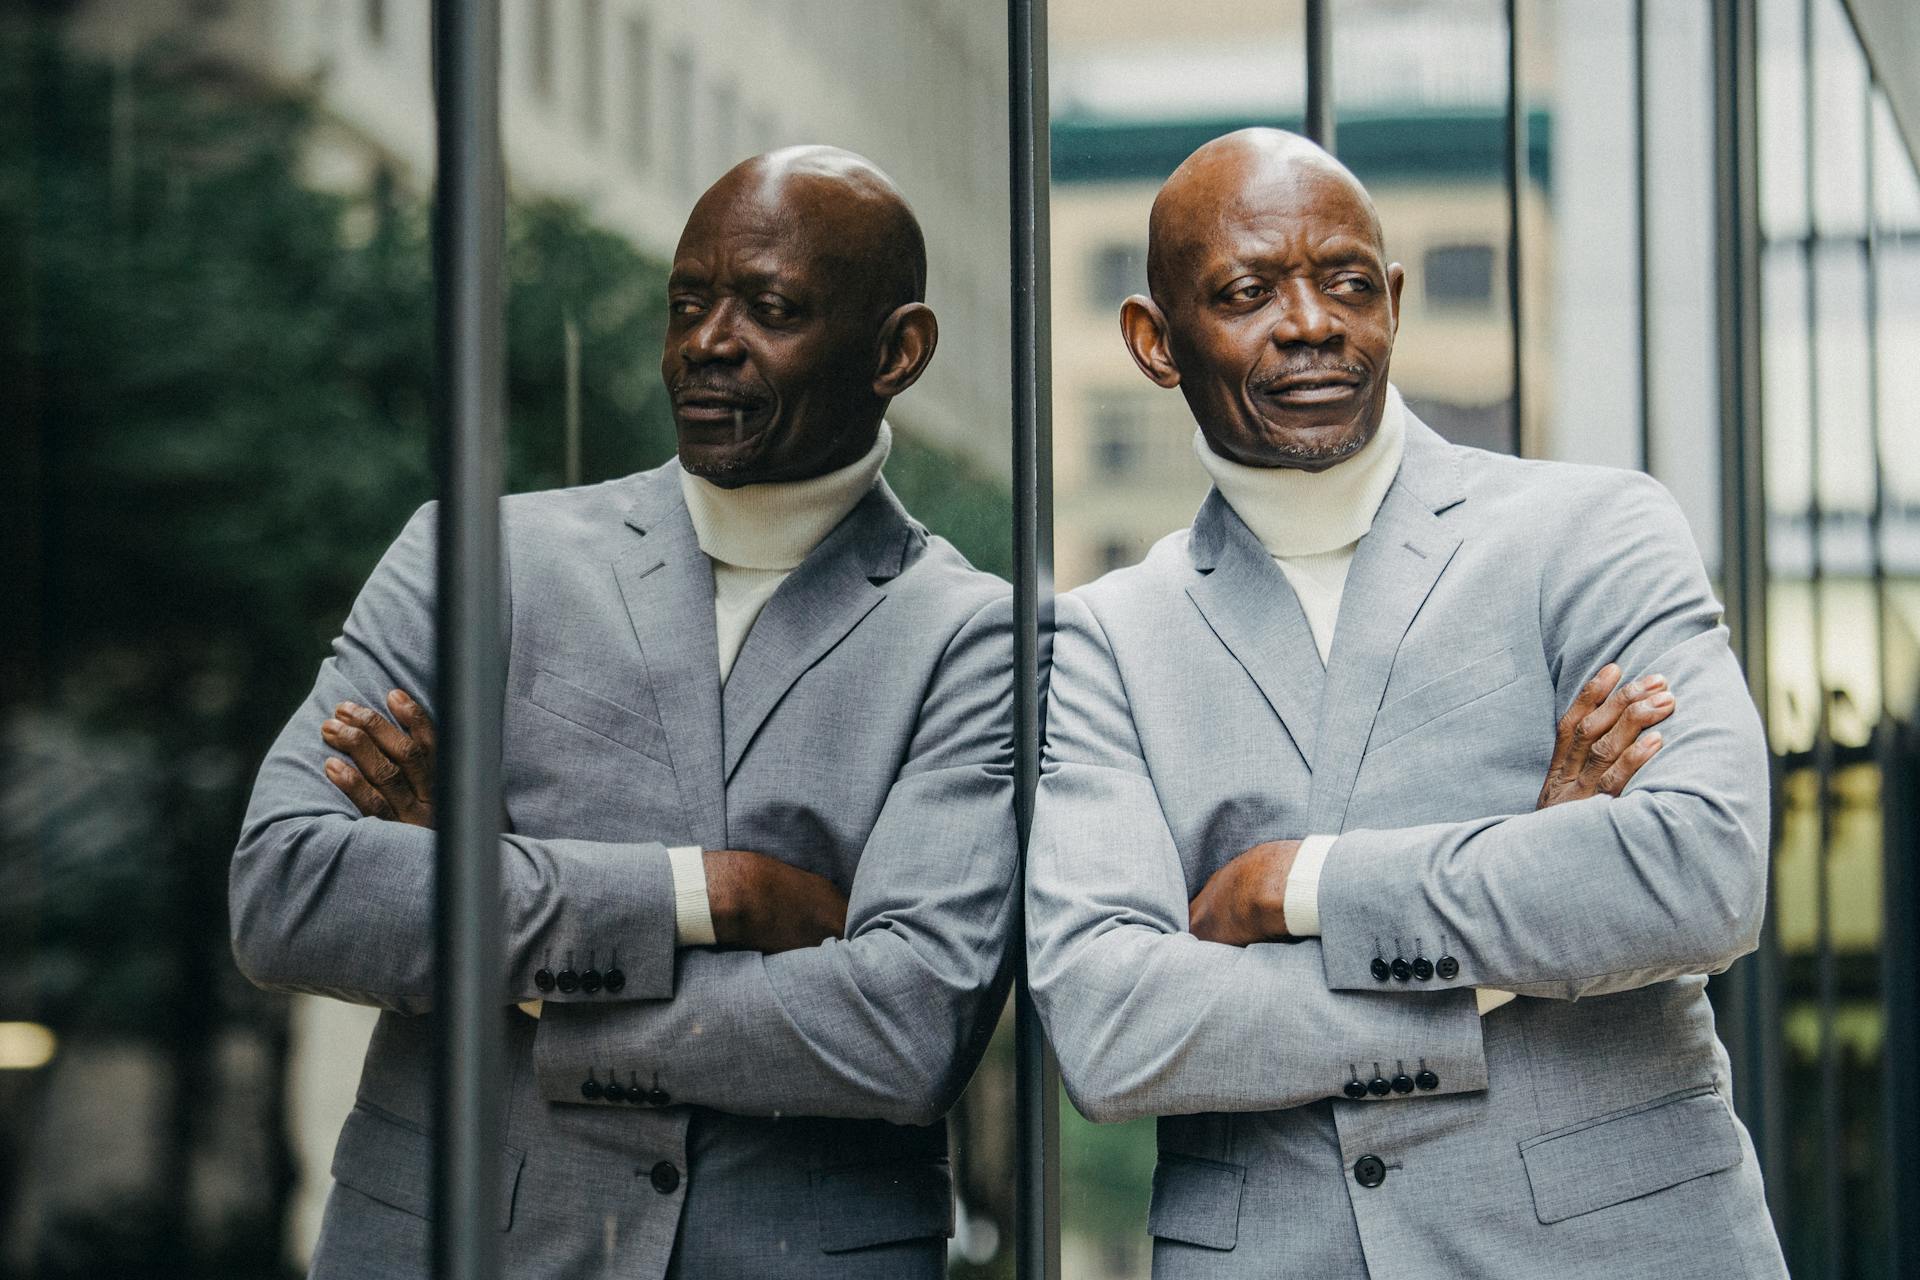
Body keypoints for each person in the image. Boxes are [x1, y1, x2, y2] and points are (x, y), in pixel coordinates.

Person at [231, 146, 1015, 1279]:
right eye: (689, 302)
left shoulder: (973, 635)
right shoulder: (477, 558)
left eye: (771, 308)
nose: (707, 341)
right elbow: (289, 888)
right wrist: (711, 892)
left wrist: (503, 950)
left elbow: (901, 1030)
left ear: (898, 350)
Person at [1025, 129, 1786, 1278]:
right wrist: (1524, 899)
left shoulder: (1593, 533)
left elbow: (1701, 869)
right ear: (1153, 341)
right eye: (1246, 291)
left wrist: (1303, 884)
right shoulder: (1109, 639)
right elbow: (1116, 1025)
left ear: (1392, 299)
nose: (1310, 322)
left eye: (1343, 283)